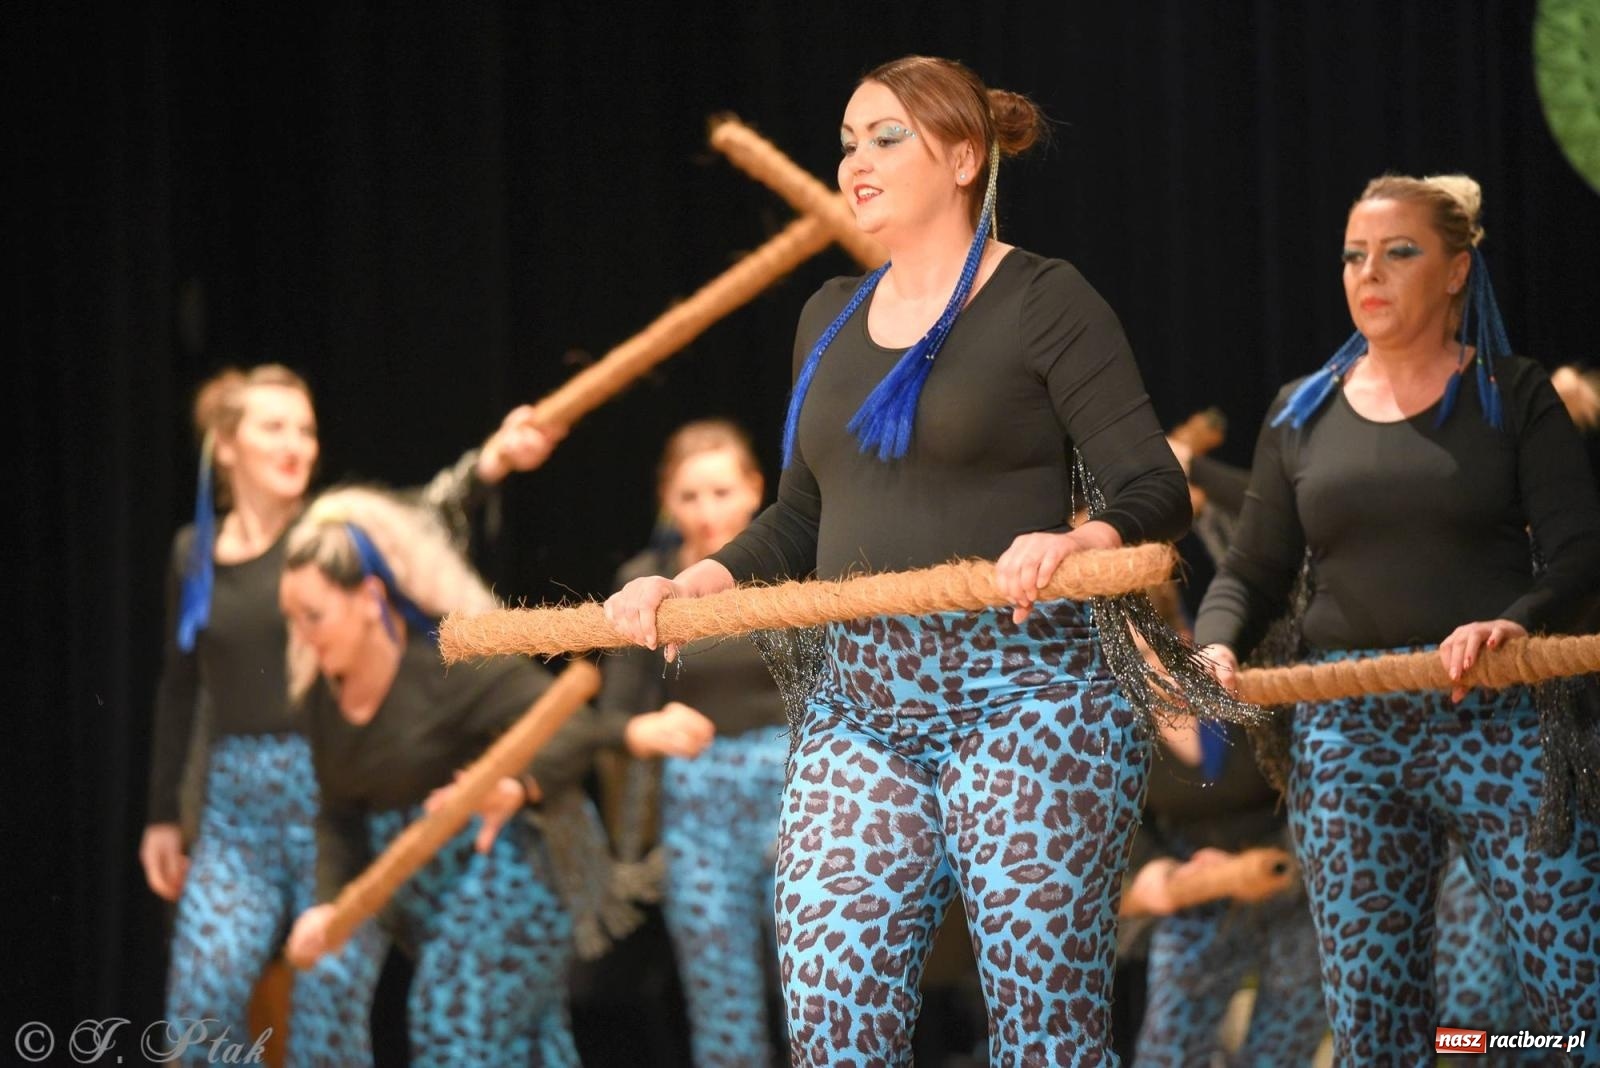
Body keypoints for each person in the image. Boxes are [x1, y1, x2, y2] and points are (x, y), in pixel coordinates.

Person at [606, 55, 1195, 1066]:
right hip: (862, 708)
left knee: (1045, 1035)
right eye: (847, 142)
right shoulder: (828, 314)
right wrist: (686, 584)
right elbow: (799, 517)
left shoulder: (1045, 298)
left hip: (1028, 696)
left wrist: (1078, 539)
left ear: (963, 159)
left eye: (886, 138)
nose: (856, 162)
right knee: (830, 1018)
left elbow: (1153, 487)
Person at [1194, 174, 1600, 1063]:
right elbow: (1252, 570)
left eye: (1398, 252)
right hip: (1350, 733)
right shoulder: (1302, 410)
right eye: (1353, 256)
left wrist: (1516, 622)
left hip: (1498, 716)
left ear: (1456, 271)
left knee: (1577, 1000)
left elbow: (1578, 553)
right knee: (1372, 1023)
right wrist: (1214, 646)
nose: (1368, 272)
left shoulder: (1513, 393)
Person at [139, 364, 560, 1064]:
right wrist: (162, 815)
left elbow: (424, 511)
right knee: (202, 999)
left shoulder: (332, 535)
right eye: (275, 427)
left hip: (331, 792)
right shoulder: (194, 554)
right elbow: (181, 686)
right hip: (236, 811)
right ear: (227, 445)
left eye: (305, 430)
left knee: (327, 1003)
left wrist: (494, 459)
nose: (296, 444)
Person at [279, 488, 608, 1066]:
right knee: (524, 1049)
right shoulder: (321, 700)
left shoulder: (445, 667)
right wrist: (326, 904)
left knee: (451, 1024)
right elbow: (339, 816)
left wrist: (516, 786)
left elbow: (575, 724)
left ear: (369, 598)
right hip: (428, 902)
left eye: (314, 616)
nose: (302, 635)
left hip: (516, 875)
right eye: (292, 619)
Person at [599, 419, 788, 1067]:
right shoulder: (644, 581)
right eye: (689, 496)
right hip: (699, 807)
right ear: (665, 500)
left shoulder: (793, 569)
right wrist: (644, 729)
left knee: (820, 988)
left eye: (722, 492)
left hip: (797, 793)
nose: (707, 512)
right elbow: (612, 716)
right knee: (720, 1000)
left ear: (755, 488)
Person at [1118, 718, 1326, 1066]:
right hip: (1191, 877)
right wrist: (1154, 864)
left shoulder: (1257, 698)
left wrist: (1258, 863)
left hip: (1294, 867)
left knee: (1285, 1038)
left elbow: (1322, 786)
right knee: (1168, 1043)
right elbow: (1115, 806)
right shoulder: (1116, 717)